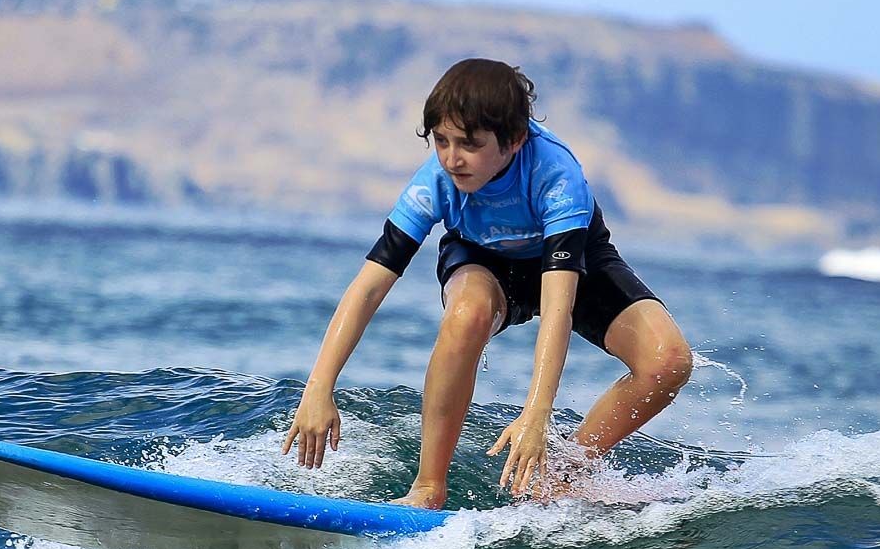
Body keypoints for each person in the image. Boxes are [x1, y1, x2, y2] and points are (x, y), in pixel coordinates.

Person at [282, 57, 693, 507]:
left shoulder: (556, 175)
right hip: (481, 259)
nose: (452, 159)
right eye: (441, 141)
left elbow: (557, 308)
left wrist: (536, 414)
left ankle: (562, 474)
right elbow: (369, 286)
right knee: (467, 312)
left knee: (668, 361)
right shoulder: (437, 181)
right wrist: (319, 387)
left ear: (514, 140)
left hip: (573, 259)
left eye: (469, 144)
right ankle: (427, 488)